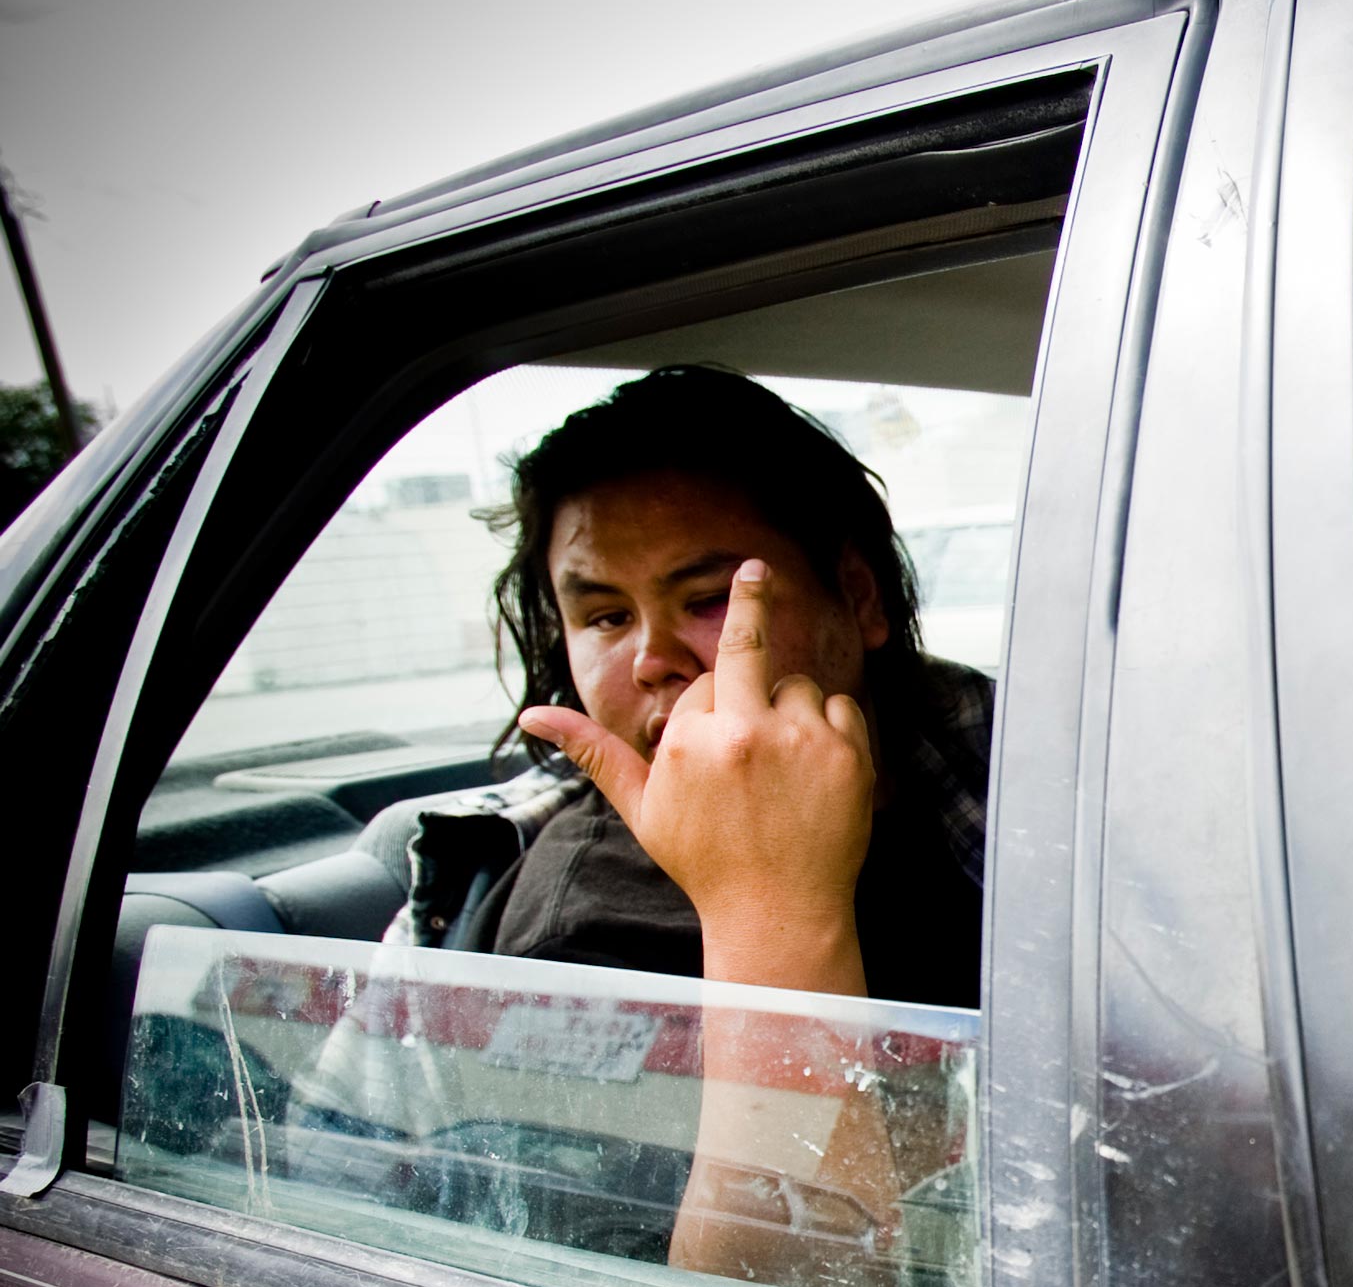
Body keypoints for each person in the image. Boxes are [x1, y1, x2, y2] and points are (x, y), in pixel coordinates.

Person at [387, 365, 989, 1011]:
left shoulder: (1004, 759)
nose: (651, 659)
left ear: (858, 596)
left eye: (707, 599)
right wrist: (766, 905)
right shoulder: (582, 937)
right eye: (607, 618)